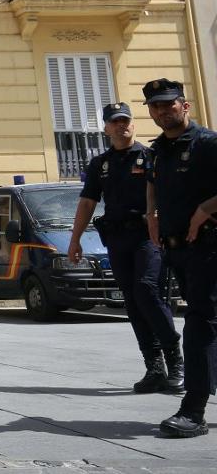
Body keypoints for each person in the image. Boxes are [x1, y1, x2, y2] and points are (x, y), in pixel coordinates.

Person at [68, 101, 182, 393]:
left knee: (146, 289)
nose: (122, 125)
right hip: (118, 240)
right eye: (115, 122)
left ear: (133, 123)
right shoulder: (100, 164)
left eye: (126, 120)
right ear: (106, 128)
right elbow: (87, 202)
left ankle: (176, 361)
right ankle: (154, 367)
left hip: (147, 236)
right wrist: (75, 238)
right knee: (131, 300)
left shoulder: (150, 155)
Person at [144, 78, 217, 438]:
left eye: (168, 104)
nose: (162, 111)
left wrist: (206, 207)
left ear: (184, 105)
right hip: (178, 250)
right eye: (155, 106)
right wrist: (151, 215)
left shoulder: (207, 143)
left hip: (209, 245)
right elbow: (153, 184)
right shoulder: (158, 150)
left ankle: (194, 410)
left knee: (200, 323)